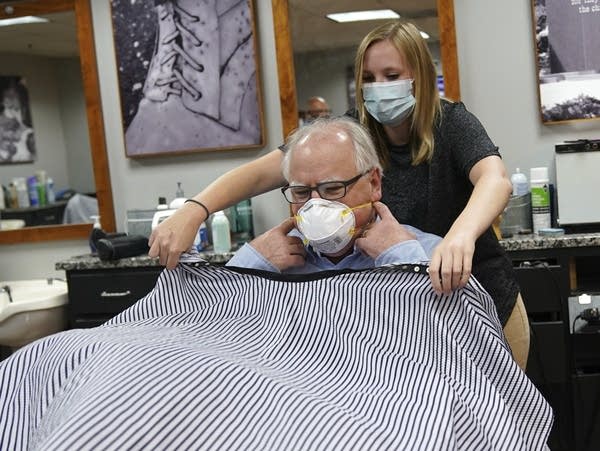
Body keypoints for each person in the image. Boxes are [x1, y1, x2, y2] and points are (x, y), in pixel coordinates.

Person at [149, 20, 528, 368]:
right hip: (399, 299)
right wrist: (194, 209)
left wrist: (459, 237)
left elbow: (494, 180)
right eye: (368, 77)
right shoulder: (352, 131)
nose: (379, 86)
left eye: (391, 75)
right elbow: (257, 175)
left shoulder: (452, 123)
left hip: (473, 297)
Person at [227, 117, 441, 273]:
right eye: (301, 192)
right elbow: (211, 320)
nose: (315, 206)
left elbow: (456, 327)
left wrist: (403, 258)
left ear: (374, 183)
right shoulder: (277, 259)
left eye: (332, 189)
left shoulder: (428, 252)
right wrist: (250, 264)